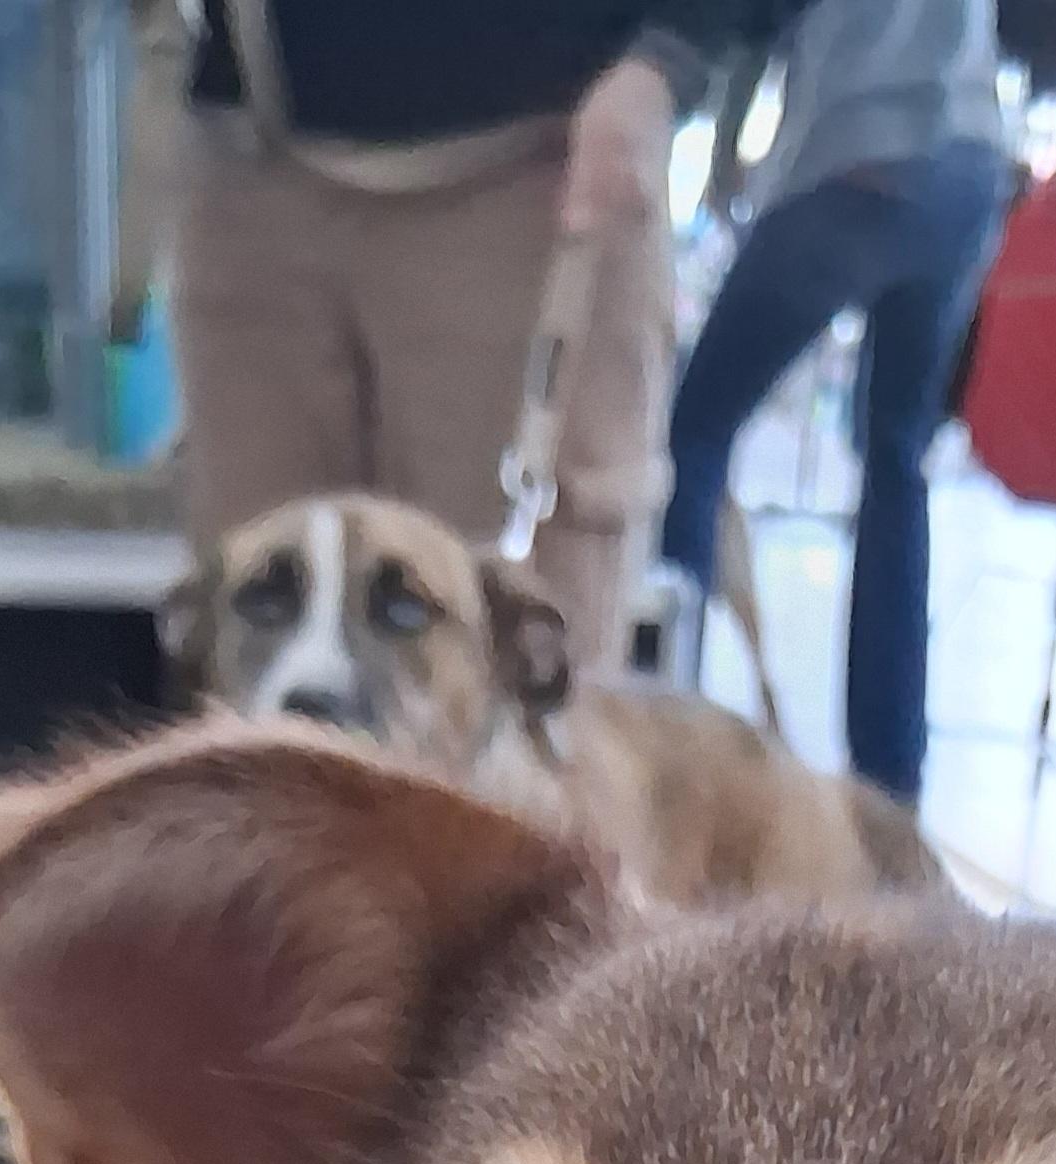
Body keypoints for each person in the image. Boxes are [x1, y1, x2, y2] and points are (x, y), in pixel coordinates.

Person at [170, 4, 777, 672]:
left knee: (527, 684)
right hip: (254, 150)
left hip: (537, 161)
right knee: (247, 668)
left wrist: (665, 63)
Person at [661, 0, 1005, 805]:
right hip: (969, 164)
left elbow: (746, 18)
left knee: (693, 433)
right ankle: (890, 783)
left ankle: (665, 734)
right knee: (896, 463)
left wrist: (724, 147)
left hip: (858, 148)